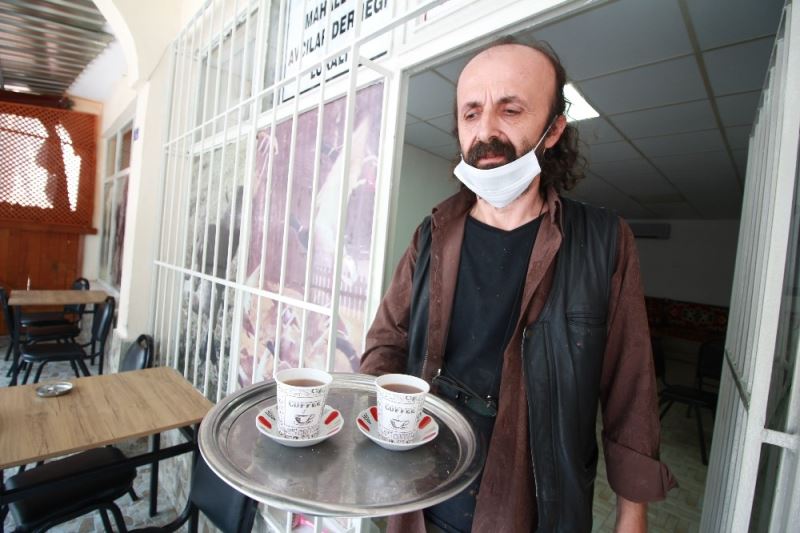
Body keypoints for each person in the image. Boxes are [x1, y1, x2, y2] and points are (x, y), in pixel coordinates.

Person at [360, 36, 676, 532]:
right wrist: (378, 422)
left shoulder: (604, 243)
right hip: (418, 499)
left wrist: (631, 518)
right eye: (471, 113)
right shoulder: (432, 234)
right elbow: (386, 343)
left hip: (532, 511)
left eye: (510, 110)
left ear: (554, 130)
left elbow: (630, 391)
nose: (486, 130)